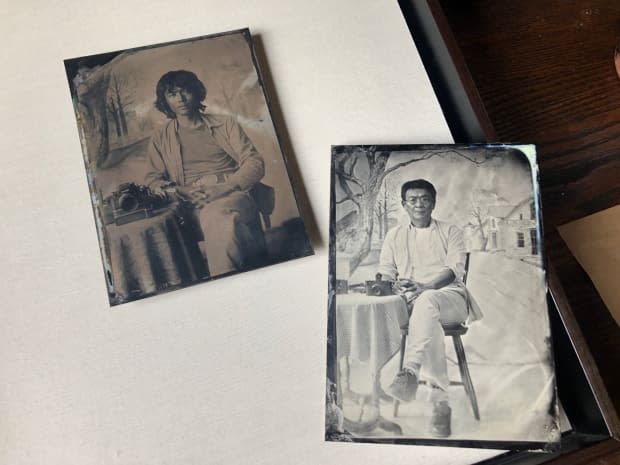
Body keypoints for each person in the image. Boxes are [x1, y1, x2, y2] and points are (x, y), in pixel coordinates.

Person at [377, 179, 483, 437]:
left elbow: (453, 270)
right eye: (412, 200)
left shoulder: (450, 231)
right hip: (414, 305)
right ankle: (441, 403)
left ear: (433, 203)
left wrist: (425, 287)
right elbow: (385, 271)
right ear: (404, 205)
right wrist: (390, 285)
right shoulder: (394, 235)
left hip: (451, 299)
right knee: (426, 319)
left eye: (425, 199)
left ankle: (410, 370)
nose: (419, 204)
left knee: (427, 302)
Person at [145, 70, 267, 277]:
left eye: (186, 91)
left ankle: (224, 281)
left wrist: (225, 187)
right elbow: (152, 179)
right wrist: (180, 191)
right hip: (189, 202)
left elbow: (255, 162)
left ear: (197, 92)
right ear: (165, 101)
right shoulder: (160, 136)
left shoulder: (225, 124)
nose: (181, 99)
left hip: (233, 194)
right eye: (173, 94)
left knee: (216, 215)